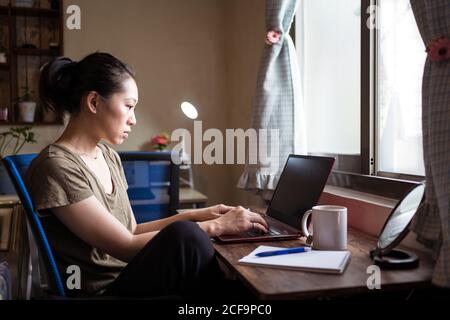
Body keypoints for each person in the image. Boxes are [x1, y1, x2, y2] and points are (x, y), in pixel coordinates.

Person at [25, 52, 268, 298]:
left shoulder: (108, 155)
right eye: (129, 106)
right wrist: (215, 226)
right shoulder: (56, 167)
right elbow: (126, 247)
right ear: (94, 102)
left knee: (206, 254)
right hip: (102, 292)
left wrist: (197, 215)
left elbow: (132, 230)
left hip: (131, 276)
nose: (133, 119)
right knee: (189, 238)